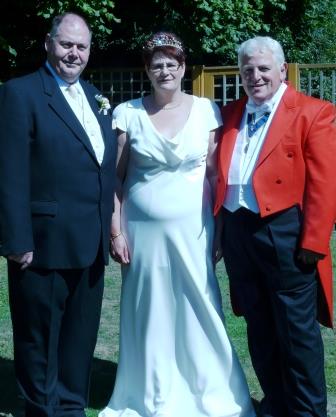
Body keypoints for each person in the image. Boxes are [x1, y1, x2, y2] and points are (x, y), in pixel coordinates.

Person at [99, 32, 256, 417]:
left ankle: (211, 388)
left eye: (171, 63)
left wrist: (219, 229)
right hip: (141, 234)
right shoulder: (128, 114)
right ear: (147, 71)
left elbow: (214, 178)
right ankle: (149, 390)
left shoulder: (206, 111)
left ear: (183, 67)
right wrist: (116, 231)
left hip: (194, 230)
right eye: (157, 64)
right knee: (149, 308)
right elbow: (115, 180)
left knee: (199, 303)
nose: (164, 70)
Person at [0, 12, 117, 417]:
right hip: (43, 245)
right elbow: (9, 171)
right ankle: (41, 411)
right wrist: (16, 240)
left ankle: (70, 409)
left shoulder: (95, 97)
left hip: (90, 244)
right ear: (48, 44)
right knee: (39, 343)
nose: (74, 53)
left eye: (81, 46)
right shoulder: (21, 93)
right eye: (66, 44)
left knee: (79, 342)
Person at [214, 36, 336, 417]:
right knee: (259, 326)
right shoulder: (230, 113)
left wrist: (313, 241)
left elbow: (324, 182)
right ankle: (276, 405)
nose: (255, 76)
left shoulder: (314, 112)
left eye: (263, 68)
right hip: (238, 231)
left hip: (284, 232)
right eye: (247, 69)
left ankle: (309, 412)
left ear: (282, 69)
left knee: (296, 334)